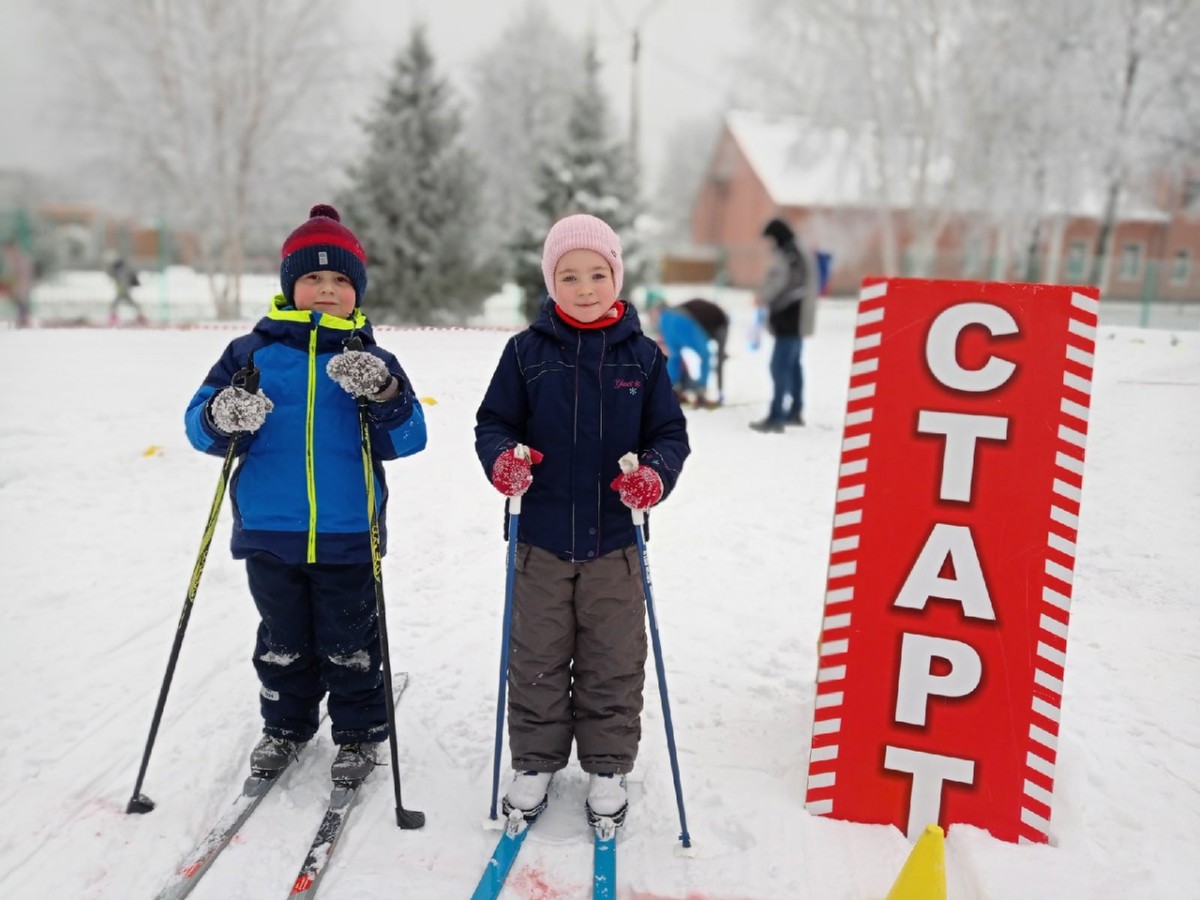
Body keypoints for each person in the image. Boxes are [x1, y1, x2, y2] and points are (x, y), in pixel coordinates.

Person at [183, 204, 428, 784]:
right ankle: (286, 725)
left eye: (340, 279)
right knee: (283, 639)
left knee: (350, 640)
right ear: (290, 285)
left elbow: (410, 437)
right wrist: (225, 416)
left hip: (348, 529)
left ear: (356, 291)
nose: (325, 289)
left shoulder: (372, 359)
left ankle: (360, 733)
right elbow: (198, 428)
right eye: (313, 278)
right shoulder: (251, 354)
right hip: (270, 529)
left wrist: (385, 394)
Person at [475, 213, 690, 829]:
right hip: (540, 539)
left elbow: (669, 434)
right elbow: (494, 424)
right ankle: (536, 760)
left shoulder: (644, 359)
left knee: (614, 657)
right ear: (550, 282)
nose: (586, 287)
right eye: (569, 275)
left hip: (616, 543)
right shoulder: (525, 353)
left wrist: (653, 475)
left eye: (598, 273)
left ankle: (607, 763)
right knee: (537, 653)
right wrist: (502, 463)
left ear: (617, 277)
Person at [750, 217, 813, 433]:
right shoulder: (798, 252)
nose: (770, 244)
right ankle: (795, 411)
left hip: (788, 319)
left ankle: (776, 417)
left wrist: (763, 296)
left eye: (770, 239)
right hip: (797, 319)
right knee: (793, 366)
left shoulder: (788, 255)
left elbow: (779, 281)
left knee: (780, 367)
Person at [643, 290, 728, 408]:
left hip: (672, 318)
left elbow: (674, 357)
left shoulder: (666, 317)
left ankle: (674, 390)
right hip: (683, 319)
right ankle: (701, 390)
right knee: (705, 354)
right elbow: (707, 353)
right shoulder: (718, 319)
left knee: (675, 356)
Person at [0, 239, 34, 327]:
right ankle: (22, 318)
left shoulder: (19, 258)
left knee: (20, 302)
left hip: (20, 284)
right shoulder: (10, 258)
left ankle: (23, 319)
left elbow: (21, 272)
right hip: (15, 284)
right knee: (18, 302)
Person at [108, 256, 147, 326]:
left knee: (116, 304)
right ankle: (140, 316)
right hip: (122, 290)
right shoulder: (120, 271)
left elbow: (124, 279)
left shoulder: (122, 271)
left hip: (123, 291)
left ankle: (113, 318)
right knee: (130, 304)